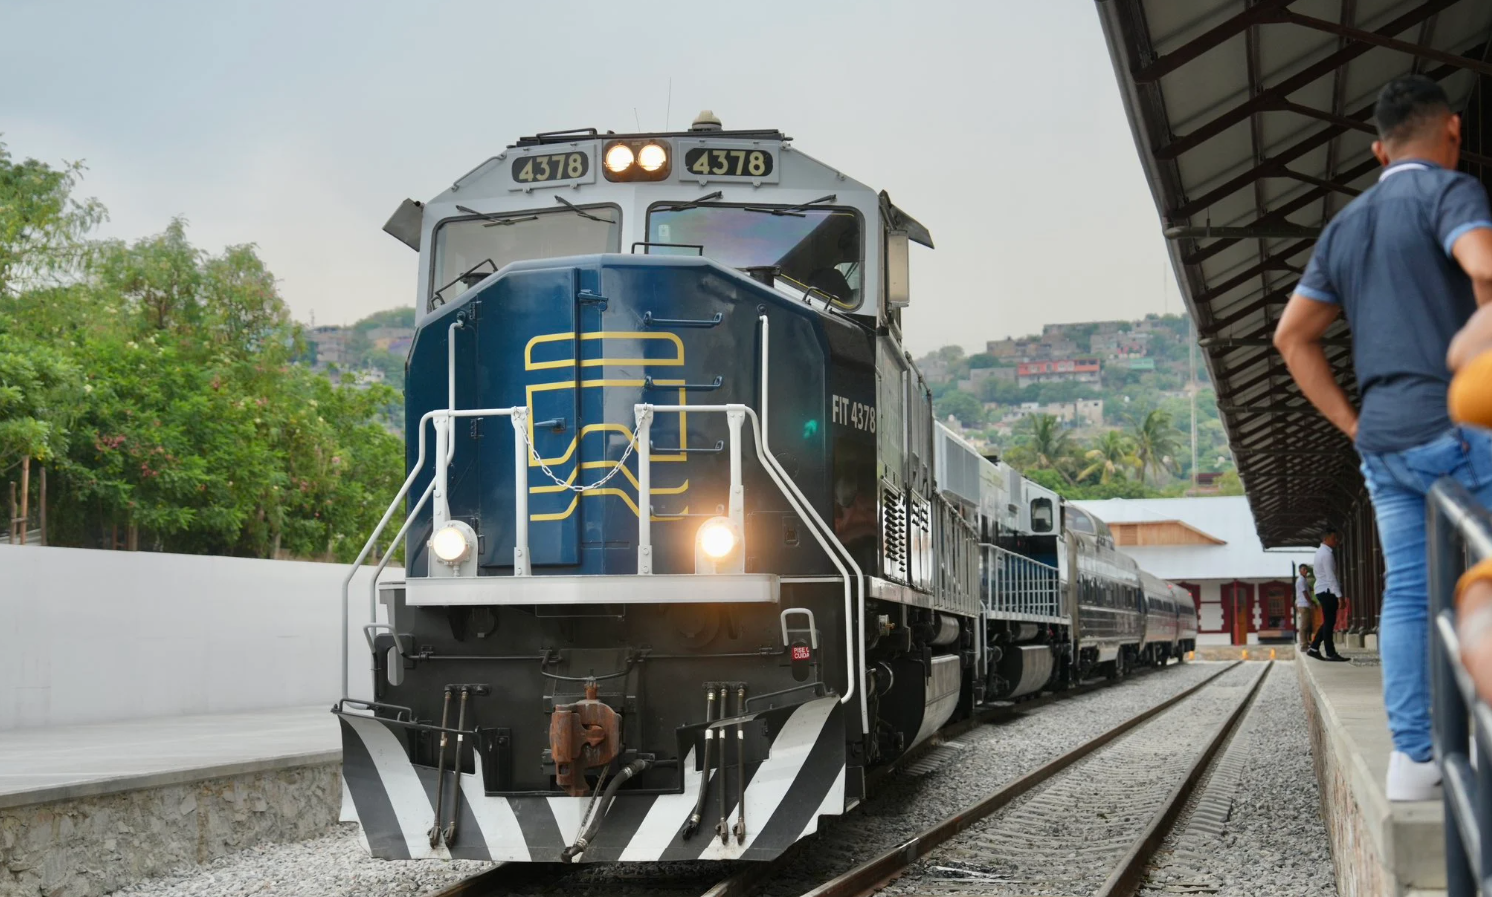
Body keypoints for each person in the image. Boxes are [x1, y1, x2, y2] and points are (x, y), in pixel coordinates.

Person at [1274, 74, 1492, 801]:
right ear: (1453, 130)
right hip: (1461, 426)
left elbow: (1292, 336)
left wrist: (1354, 424)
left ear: (1377, 151)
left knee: (1406, 592)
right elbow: (1484, 264)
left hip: (1385, 442)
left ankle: (1415, 759)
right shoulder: (1450, 193)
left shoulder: (1347, 226)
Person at [1307, 533, 1348, 663]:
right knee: (1329, 623)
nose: (1336, 540)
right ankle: (1330, 653)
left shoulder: (1320, 552)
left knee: (1328, 622)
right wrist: (1339, 595)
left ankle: (1314, 648)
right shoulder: (1327, 554)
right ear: (1325, 538)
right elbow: (1330, 577)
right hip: (1327, 590)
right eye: (1333, 538)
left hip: (1322, 589)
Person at [1295, 564, 1315, 652]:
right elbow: (1304, 593)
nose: (1305, 571)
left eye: (1306, 569)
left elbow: (1308, 589)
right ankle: (1303, 645)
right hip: (1303, 605)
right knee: (1304, 625)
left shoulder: (1304, 580)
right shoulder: (1300, 580)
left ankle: (1306, 642)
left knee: (1306, 624)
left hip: (1304, 605)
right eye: (1303, 569)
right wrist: (1311, 602)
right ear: (1300, 571)